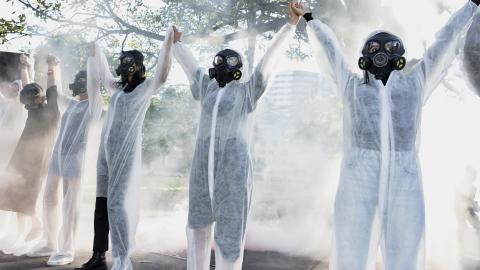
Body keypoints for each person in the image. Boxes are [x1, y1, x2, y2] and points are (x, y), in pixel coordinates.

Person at [291, 1, 480, 269]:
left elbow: (445, 41)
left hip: (405, 188)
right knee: (350, 258)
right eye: (374, 48)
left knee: (404, 260)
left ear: (401, 56)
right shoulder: (352, 87)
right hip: (357, 186)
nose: (381, 53)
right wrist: (310, 19)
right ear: (364, 57)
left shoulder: (416, 84)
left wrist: (471, 5)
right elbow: (330, 52)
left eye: (390, 48)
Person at [171, 3, 299, 269]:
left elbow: (268, 63)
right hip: (202, 165)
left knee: (230, 231)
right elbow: (192, 69)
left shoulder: (247, 92)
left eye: (231, 63)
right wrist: (178, 45)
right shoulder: (206, 87)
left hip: (234, 168)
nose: (225, 67)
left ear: (239, 68)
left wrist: (290, 26)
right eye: (220, 62)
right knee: (197, 226)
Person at [75, 27, 173, 270]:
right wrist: (96, 51)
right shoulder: (117, 89)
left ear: (140, 65)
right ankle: (99, 256)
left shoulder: (146, 87)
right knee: (101, 204)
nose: (126, 64)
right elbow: (105, 72)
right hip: (105, 154)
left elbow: (162, 75)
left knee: (117, 205)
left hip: (126, 154)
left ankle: (122, 258)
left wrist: (169, 41)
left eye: (131, 61)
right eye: (124, 60)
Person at [27, 55, 103, 266]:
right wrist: (54, 67)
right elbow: (56, 93)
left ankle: (66, 249)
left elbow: (96, 92)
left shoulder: (95, 107)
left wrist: (94, 64)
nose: (78, 82)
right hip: (58, 158)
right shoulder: (71, 105)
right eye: (78, 78)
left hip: (77, 160)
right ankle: (49, 241)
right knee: (49, 198)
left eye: (83, 79)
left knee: (70, 204)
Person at [0, 54, 61, 253]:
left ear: (39, 99)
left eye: (30, 102)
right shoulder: (32, 107)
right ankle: (22, 233)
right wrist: (24, 66)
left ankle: (35, 225)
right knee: (12, 195)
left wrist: (52, 65)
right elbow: (28, 85)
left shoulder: (51, 107)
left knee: (27, 197)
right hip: (22, 157)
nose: (27, 106)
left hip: (39, 159)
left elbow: (52, 86)